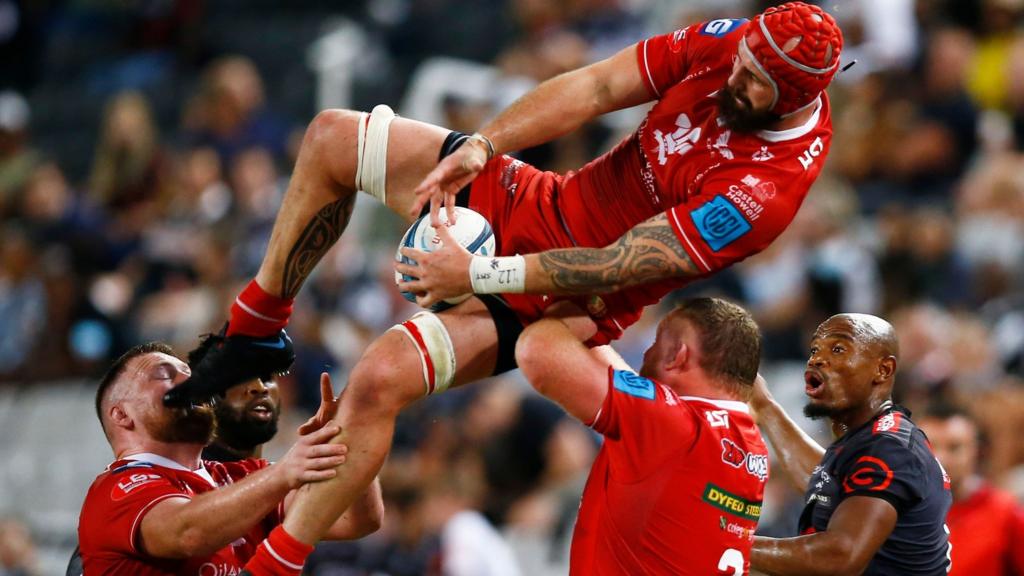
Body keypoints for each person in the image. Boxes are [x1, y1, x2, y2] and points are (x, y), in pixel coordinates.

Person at [168, 2, 844, 549]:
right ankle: (256, 332)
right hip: (546, 198)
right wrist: (487, 145)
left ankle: (275, 567)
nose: (736, 77)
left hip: (564, 293)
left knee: (376, 380)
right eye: (744, 62)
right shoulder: (734, 42)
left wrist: (478, 271)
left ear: (794, 97)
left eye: (756, 81)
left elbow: (622, 261)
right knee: (330, 138)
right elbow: (598, 85)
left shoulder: (765, 190)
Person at [77, 342, 383, 575]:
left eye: (191, 374)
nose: (193, 382)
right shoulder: (115, 490)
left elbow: (356, 519)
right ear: (122, 415)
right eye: (165, 375)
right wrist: (283, 474)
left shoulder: (241, 477)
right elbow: (187, 533)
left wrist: (347, 433)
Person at [515, 297, 767, 574]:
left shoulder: (671, 424)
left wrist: (578, 311)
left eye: (657, 342)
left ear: (678, 355)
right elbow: (621, 380)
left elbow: (538, 351)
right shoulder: (750, 444)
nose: (646, 354)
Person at [749, 314, 952, 575]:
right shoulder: (869, 438)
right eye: (814, 350)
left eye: (838, 349)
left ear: (883, 370)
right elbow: (824, 484)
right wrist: (765, 407)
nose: (817, 359)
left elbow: (841, 554)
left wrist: (728, 542)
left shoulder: (890, 448)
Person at [917, 403, 1024, 576]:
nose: (940, 458)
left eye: (954, 447)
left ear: (977, 451)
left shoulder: (1006, 513)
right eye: (930, 447)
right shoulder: (897, 512)